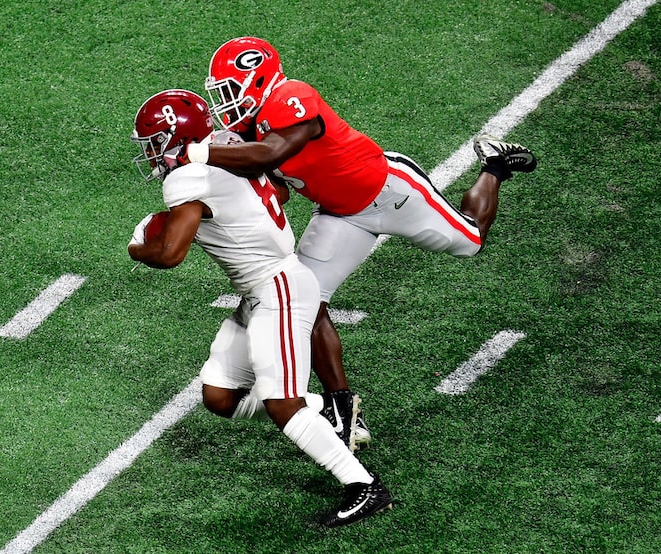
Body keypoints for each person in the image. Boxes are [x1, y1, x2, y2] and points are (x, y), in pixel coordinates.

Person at [170, 36, 538, 451]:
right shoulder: (247, 128)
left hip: (390, 192)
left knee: (470, 239)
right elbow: (277, 185)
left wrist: (200, 156)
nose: (227, 103)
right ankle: (341, 406)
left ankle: (493, 165)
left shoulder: (292, 95)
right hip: (338, 214)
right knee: (306, 298)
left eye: (231, 90)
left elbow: (271, 154)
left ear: (258, 78)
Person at [126, 89, 393, 527]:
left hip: (278, 289)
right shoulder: (232, 146)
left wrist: (140, 244)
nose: (151, 151)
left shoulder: (185, 180)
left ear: (174, 139)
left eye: (154, 141)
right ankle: (322, 409)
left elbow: (170, 254)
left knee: (280, 403)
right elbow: (281, 194)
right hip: (263, 290)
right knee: (220, 395)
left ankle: (364, 487)